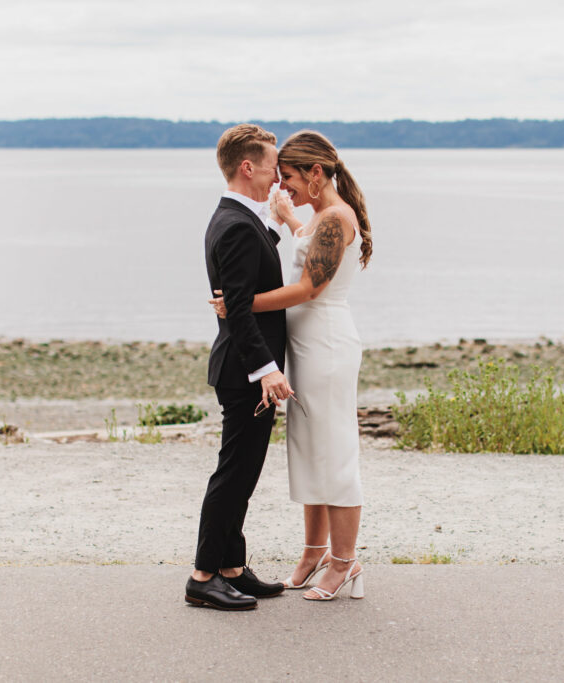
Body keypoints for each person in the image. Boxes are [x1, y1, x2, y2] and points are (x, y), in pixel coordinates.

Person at [211, 130, 373, 601]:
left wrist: (241, 305)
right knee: (308, 449)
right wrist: (286, 219)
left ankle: (344, 562)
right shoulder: (321, 218)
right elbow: (311, 247)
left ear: (316, 173)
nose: (284, 187)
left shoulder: (333, 219)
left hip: (325, 345)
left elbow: (309, 288)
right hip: (306, 346)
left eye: (290, 178)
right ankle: (312, 552)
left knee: (333, 448)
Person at [185, 123, 295, 611]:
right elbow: (241, 309)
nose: (277, 176)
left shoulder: (240, 220)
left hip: (244, 367)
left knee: (245, 471)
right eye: (273, 166)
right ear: (248, 166)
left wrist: (273, 226)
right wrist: (267, 370)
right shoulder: (233, 225)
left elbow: (246, 280)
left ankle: (232, 567)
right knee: (233, 473)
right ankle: (203, 575)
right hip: (245, 371)